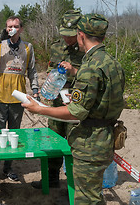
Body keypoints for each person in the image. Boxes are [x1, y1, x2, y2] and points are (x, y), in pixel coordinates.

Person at [22, 13, 125, 204]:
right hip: (107, 136)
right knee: (93, 195)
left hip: (90, 143)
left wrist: (39, 109)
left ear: (81, 35)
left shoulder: (90, 66)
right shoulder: (113, 63)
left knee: (86, 199)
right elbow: (112, 100)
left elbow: (75, 112)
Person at [0, 16, 40, 184]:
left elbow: (32, 70)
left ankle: (8, 168)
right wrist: (0, 37)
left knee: (14, 133)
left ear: (21, 28)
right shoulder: (0, 45)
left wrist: (35, 91)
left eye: (15, 26)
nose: (11, 29)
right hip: (0, 95)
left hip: (18, 96)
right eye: (8, 26)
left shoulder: (28, 47)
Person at [31, 10, 85, 189]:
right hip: (56, 99)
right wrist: (51, 78)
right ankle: (52, 177)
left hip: (75, 101)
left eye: (71, 36)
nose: (67, 39)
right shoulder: (56, 46)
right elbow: (51, 68)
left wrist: (73, 71)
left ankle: (73, 181)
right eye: (64, 35)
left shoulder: (87, 50)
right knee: (53, 137)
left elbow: (91, 77)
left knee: (74, 139)